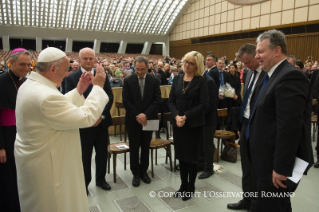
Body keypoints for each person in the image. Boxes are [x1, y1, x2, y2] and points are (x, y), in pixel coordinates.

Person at [14, 47, 109, 212]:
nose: (67, 74)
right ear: (52, 69)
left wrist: (78, 91)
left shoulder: (30, 84)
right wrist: (98, 88)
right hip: (50, 169)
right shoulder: (45, 96)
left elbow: (56, 106)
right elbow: (85, 116)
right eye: (65, 70)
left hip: (39, 162)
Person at [248, 29, 313, 212]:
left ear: (277, 50)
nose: (257, 56)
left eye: (260, 51)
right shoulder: (271, 75)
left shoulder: (290, 76)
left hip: (275, 165)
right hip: (265, 159)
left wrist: (281, 168)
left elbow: (289, 127)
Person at [66, 47, 113, 194]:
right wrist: (88, 117)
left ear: (94, 59)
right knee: (84, 156)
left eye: (90, 58)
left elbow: (109, 97)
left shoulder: (101, 76)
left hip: (101, 123)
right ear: (79, 59)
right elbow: (70, 101)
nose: (88, 61)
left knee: (101, 154)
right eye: (85, 58)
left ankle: (101, 179)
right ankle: (84, 183)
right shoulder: (71, 78)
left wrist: (101, 116)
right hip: (83, 125)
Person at [227, 43, 266, 211]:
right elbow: (247, 101)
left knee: (257, 168)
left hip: (259, 128)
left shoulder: (267, 75)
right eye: (244, 63)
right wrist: (241, 124)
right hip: (246, 124)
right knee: (246, 167)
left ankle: (256, 204)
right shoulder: (249, 74)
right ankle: (247, 199)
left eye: (248, 62)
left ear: (256, 56)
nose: (246, 66)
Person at [169, 51, 208, 201]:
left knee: (191, 157)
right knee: (181, 156)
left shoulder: (201, 80)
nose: (186, 65)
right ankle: (182, 184)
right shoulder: (178, 78)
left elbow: (204, 104)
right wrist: (177, 116)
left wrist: (186, 116)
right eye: (185, 61)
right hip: (178, 123)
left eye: (190, 63)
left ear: (197, 65)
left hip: (193, 124)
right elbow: (171, 100)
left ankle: (190, 186)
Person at [0, 48, 31, 212]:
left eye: (28, 64)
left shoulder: (24, 81)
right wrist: (1, 146)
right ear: (11, 63)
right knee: (9, 178)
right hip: (7, 136)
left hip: (23, 135)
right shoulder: (2, 81)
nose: (26, 68)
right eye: (22, 64)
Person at [122, 56, 161, 187]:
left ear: (147, 67)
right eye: (137, 69)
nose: (139, 72)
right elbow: (126, 101)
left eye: (142, 69)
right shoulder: (128, 80)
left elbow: (156, 100)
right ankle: (135, 173)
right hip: (133, 120)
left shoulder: (154, 80)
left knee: (145, 146)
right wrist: (138, 115)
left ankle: (144, 171)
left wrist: (145, 114)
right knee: (134, 147)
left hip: (149, 119)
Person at [197, 73, 218, 179]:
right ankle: (200, 164)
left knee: (207, 144)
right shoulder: (199, 79)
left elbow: (210, 104)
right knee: (200, 142)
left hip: (208, 119)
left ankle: (209, 168)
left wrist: (197, 113)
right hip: (200, 119)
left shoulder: (209, 81)